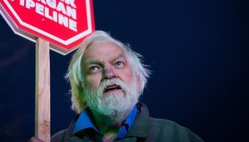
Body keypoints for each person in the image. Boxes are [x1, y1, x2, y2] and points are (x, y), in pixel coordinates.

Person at [30, 30, 203, 142]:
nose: (109, 73)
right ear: (81, 88)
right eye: (95, 68)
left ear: (137, 78)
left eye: (118, 63)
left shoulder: (177, 137)